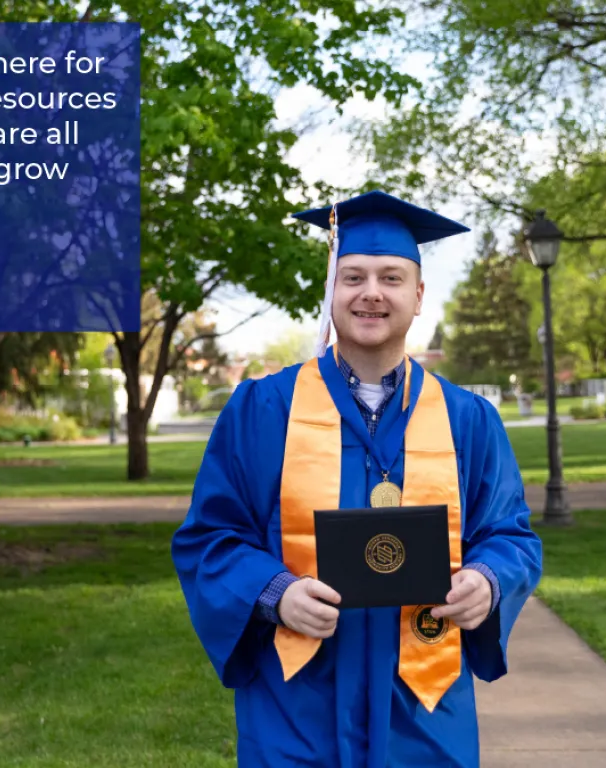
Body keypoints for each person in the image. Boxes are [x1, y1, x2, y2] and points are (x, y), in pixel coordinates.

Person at [170, 190, 543, 767]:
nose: (372, 292)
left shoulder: (468, 419)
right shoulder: (260, 410)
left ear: (418, 296)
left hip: (422, 700)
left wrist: (488, 581)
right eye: (353, 277)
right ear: (331, 292)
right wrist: (275, 594)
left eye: (391, 278)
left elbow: (510, 535)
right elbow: (210, 539)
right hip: (297, 697)